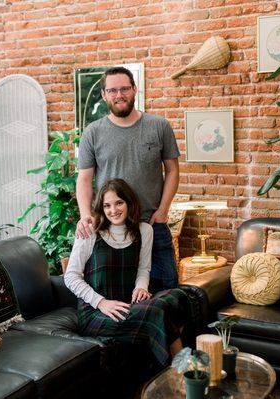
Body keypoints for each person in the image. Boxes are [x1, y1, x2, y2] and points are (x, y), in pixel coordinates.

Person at [76, 66, 180, 292]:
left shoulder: (159, 126)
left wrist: (163, 211)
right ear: (104, 95)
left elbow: (172, 170)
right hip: (111, 230)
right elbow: (84, 179)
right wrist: (86, 216)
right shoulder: (93, 132)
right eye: (112, 90)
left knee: (168, 289)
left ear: (134, 90)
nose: (119, 95)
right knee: (119, 294)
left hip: (153, 223)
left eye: (124, 88)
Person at [64, 179, 188, 366]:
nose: (113, 210)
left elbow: (143, 268)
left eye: (119, 203)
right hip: (96, 313)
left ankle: (180, 372)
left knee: (177, 296)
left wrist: (141, 287)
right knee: (157, 311)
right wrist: (101, 303)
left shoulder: (144, 230)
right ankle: (183, 369)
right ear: (101, 207)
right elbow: (71, 277)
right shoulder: (90, 231)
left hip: (128, 305)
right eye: (107, 205)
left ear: (129, 203)